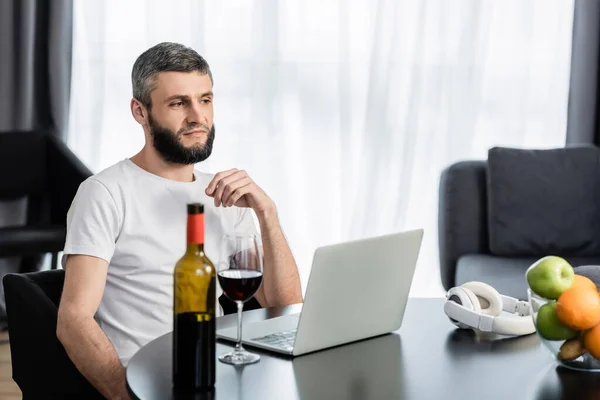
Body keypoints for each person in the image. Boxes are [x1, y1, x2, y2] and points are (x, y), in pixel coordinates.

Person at [56, 42, 303, 400]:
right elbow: (73, 321)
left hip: (219, 376)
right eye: (178, 103)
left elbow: (285, 307)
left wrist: (268, 214)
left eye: (205, 99)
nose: (197, 116)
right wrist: (128, 396)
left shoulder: (225, 194)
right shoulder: (105, 193)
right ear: (140, 112)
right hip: (150, 383)